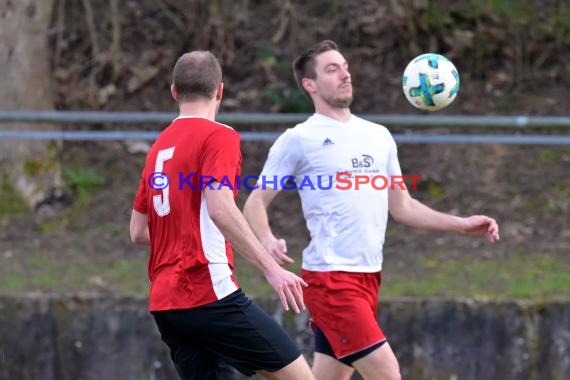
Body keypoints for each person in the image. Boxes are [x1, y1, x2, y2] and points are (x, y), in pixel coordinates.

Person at [243, 40, 500, 380]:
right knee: (387, 374)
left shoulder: (378, 136)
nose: (345, 75)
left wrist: (460, 223)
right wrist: (267, 238)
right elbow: (255, 201)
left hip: (368, 277)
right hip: (330, 279)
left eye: (345, 67)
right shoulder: (299, 138)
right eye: (332, 70)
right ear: (310, 84)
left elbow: (403, 206)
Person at [130, 50, 315, 380]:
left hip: (166, 303)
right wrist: (271, 269)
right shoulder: (219, 136)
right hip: (207, 293)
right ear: (220, 91)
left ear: (174, 91)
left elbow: (138, 230)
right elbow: (220, 208)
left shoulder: (158, 147)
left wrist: (184, 235)